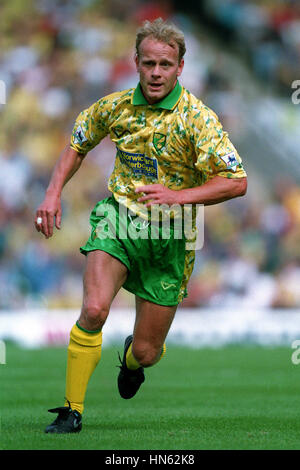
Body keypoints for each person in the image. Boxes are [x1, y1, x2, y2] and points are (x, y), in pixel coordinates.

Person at [35, 18, 247, 434]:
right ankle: (71, 411)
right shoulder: (114, 106)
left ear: (180, 68)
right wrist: (52, 192)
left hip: (171, 236)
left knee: (149, 352)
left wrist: (178, 197)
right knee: (94, 309)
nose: (155, 72)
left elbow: (236, 181)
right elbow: (78, 144)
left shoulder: (198, 120)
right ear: (135, 62)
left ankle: (132, 360)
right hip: (120, 220)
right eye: (148, 62)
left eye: (165, 64)